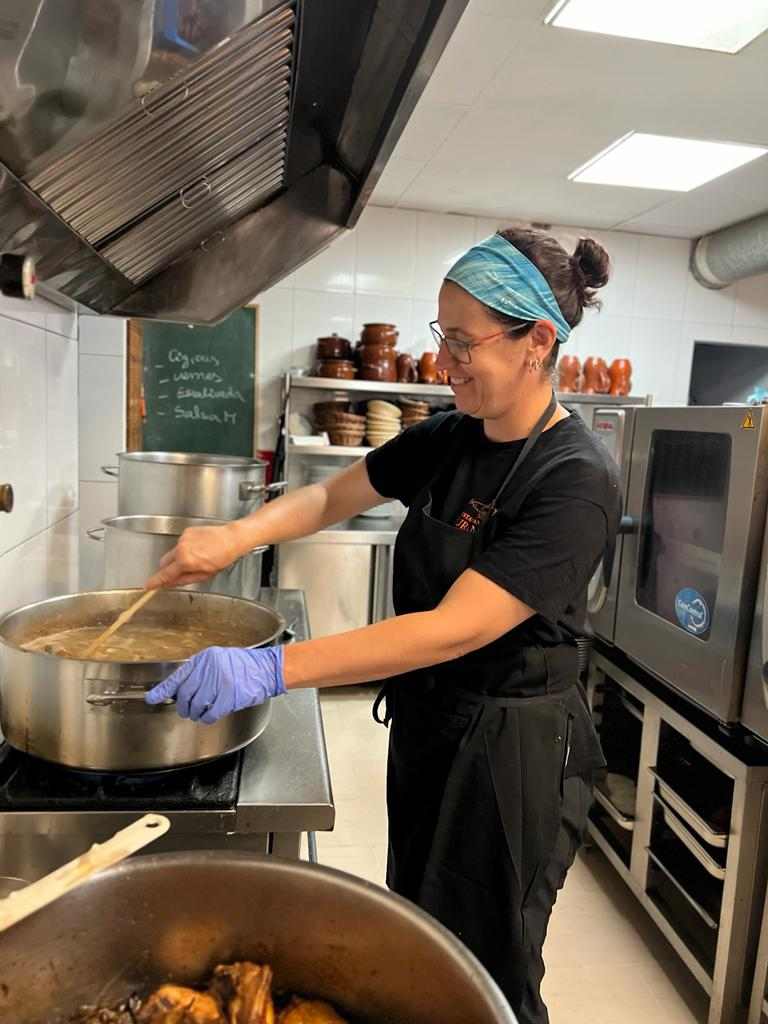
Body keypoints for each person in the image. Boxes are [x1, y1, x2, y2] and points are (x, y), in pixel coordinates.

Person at [145, 227, 620, 1024]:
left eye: (465, 343)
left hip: (512, 756)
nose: (444, 362)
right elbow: (335, 495)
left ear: (539, 341)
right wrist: (235, 536)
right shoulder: (451, 436)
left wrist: (272, 669)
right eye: (443, 336)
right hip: (434, 725)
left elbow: (453, 628)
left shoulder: (575, 479)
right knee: (421, 928)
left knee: (491, 966)